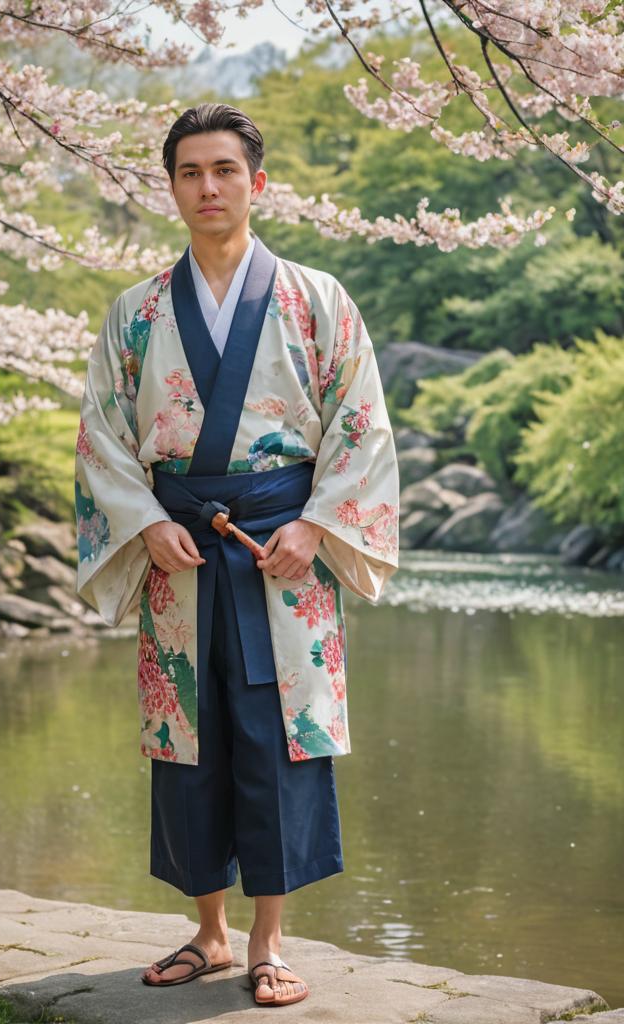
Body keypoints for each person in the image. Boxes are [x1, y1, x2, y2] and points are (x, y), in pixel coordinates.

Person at [74, 102, 399, 1008]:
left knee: (279, 739)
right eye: (189, 172)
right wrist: (141, 523)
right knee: (189, 736)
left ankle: (268, 940)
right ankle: (209, 934)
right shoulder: (136, 313)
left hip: (280, 549)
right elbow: (101, 432)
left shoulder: (318, 299)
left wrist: (317, 526)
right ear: (172, 186)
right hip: (178, 547)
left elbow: (362, 427)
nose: (208, 187)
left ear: (258, 184)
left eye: (225, 170)